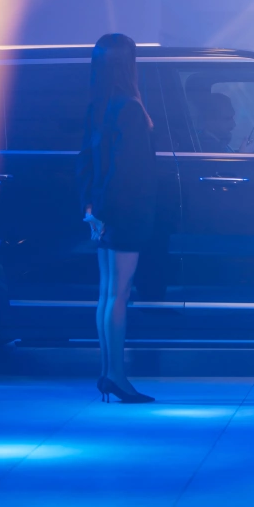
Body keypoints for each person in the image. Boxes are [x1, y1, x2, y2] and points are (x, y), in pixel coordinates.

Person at [76, 34, 157, 403]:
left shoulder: (99, 105)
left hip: (103, 211)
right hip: (125, 211)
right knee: (119, 296)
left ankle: (109, 373)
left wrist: (92, 210)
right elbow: (127, 171)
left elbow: (86, 162)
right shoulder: (131, 108)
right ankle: (117, 377)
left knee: (107, 295)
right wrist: (106, 212)